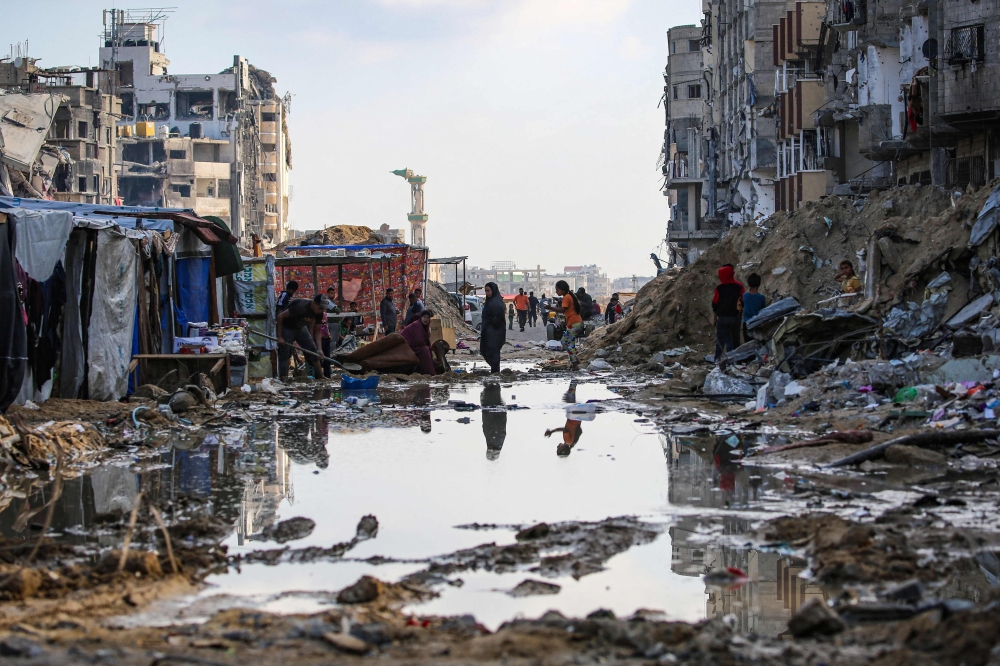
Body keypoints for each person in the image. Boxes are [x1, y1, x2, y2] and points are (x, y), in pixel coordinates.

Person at [276, 294, 328, 379]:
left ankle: (321, 376)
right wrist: (279, 336)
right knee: (284, 353)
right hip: (287, 327)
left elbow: (318, 330)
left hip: (300, 327)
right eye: (320, 308)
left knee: (313, 351)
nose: (321, 310)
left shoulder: (319, 312)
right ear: (314, 303)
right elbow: (280, 316)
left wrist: (319, 349)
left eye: (323, 308)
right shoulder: (301, 307)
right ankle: (283, 377)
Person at [712, 264, 744, 361]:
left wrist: (715, 316)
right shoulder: (739, 286)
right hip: (735, 317)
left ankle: (717, 360)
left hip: (722, 318)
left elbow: (714, 304)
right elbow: (743, 300)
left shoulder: (719, 288)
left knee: (721, 340)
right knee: (735, 340)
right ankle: (735, 360)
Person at [552, 280, 584, 370]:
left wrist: (550, 308)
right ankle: (575, 360)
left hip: (574, 323)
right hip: (577, 323)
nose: (556, 291)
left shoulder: (566, 297)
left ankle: (574, 363)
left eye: (557, 290)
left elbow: (562, 310)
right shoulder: (570, 296)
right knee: (570, 343)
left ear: (562, 290)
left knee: (564, 341)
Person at [400, 309, 437, 376]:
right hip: (406, 346)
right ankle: (428, 372)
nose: (426, 319)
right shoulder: (417, 325)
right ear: (421, 318)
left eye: (427, 318)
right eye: (424, 317)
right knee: (425, 350)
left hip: (415, 345)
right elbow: (419, 341)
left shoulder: (425, 327)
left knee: (427, 349)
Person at [480, 282, 506, 373]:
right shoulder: (489, 302)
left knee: (494, 353)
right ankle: (494, 372)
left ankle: (495, 373)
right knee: (490, 352)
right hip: (489, 332)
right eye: (486, 291)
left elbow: (498, 318)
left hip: (495, 332)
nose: (487, 293)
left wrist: (492, 322)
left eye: (488, 291)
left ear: (493, 290)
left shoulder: (496, 303)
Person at [481, 382, 507, 460]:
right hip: (494, 414)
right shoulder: (496, 441)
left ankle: (492, 385)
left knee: (493, 398)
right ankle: (492, 385)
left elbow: (488, 428)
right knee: (493, 398)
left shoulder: (495, 441)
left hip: (493, 414)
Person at [741, 273, 767, 345]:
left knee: (748, 344)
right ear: (759, 284)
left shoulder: (745, 296)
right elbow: (763, 310)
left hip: (746, 323)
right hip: (757, 323)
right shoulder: (761, 297)